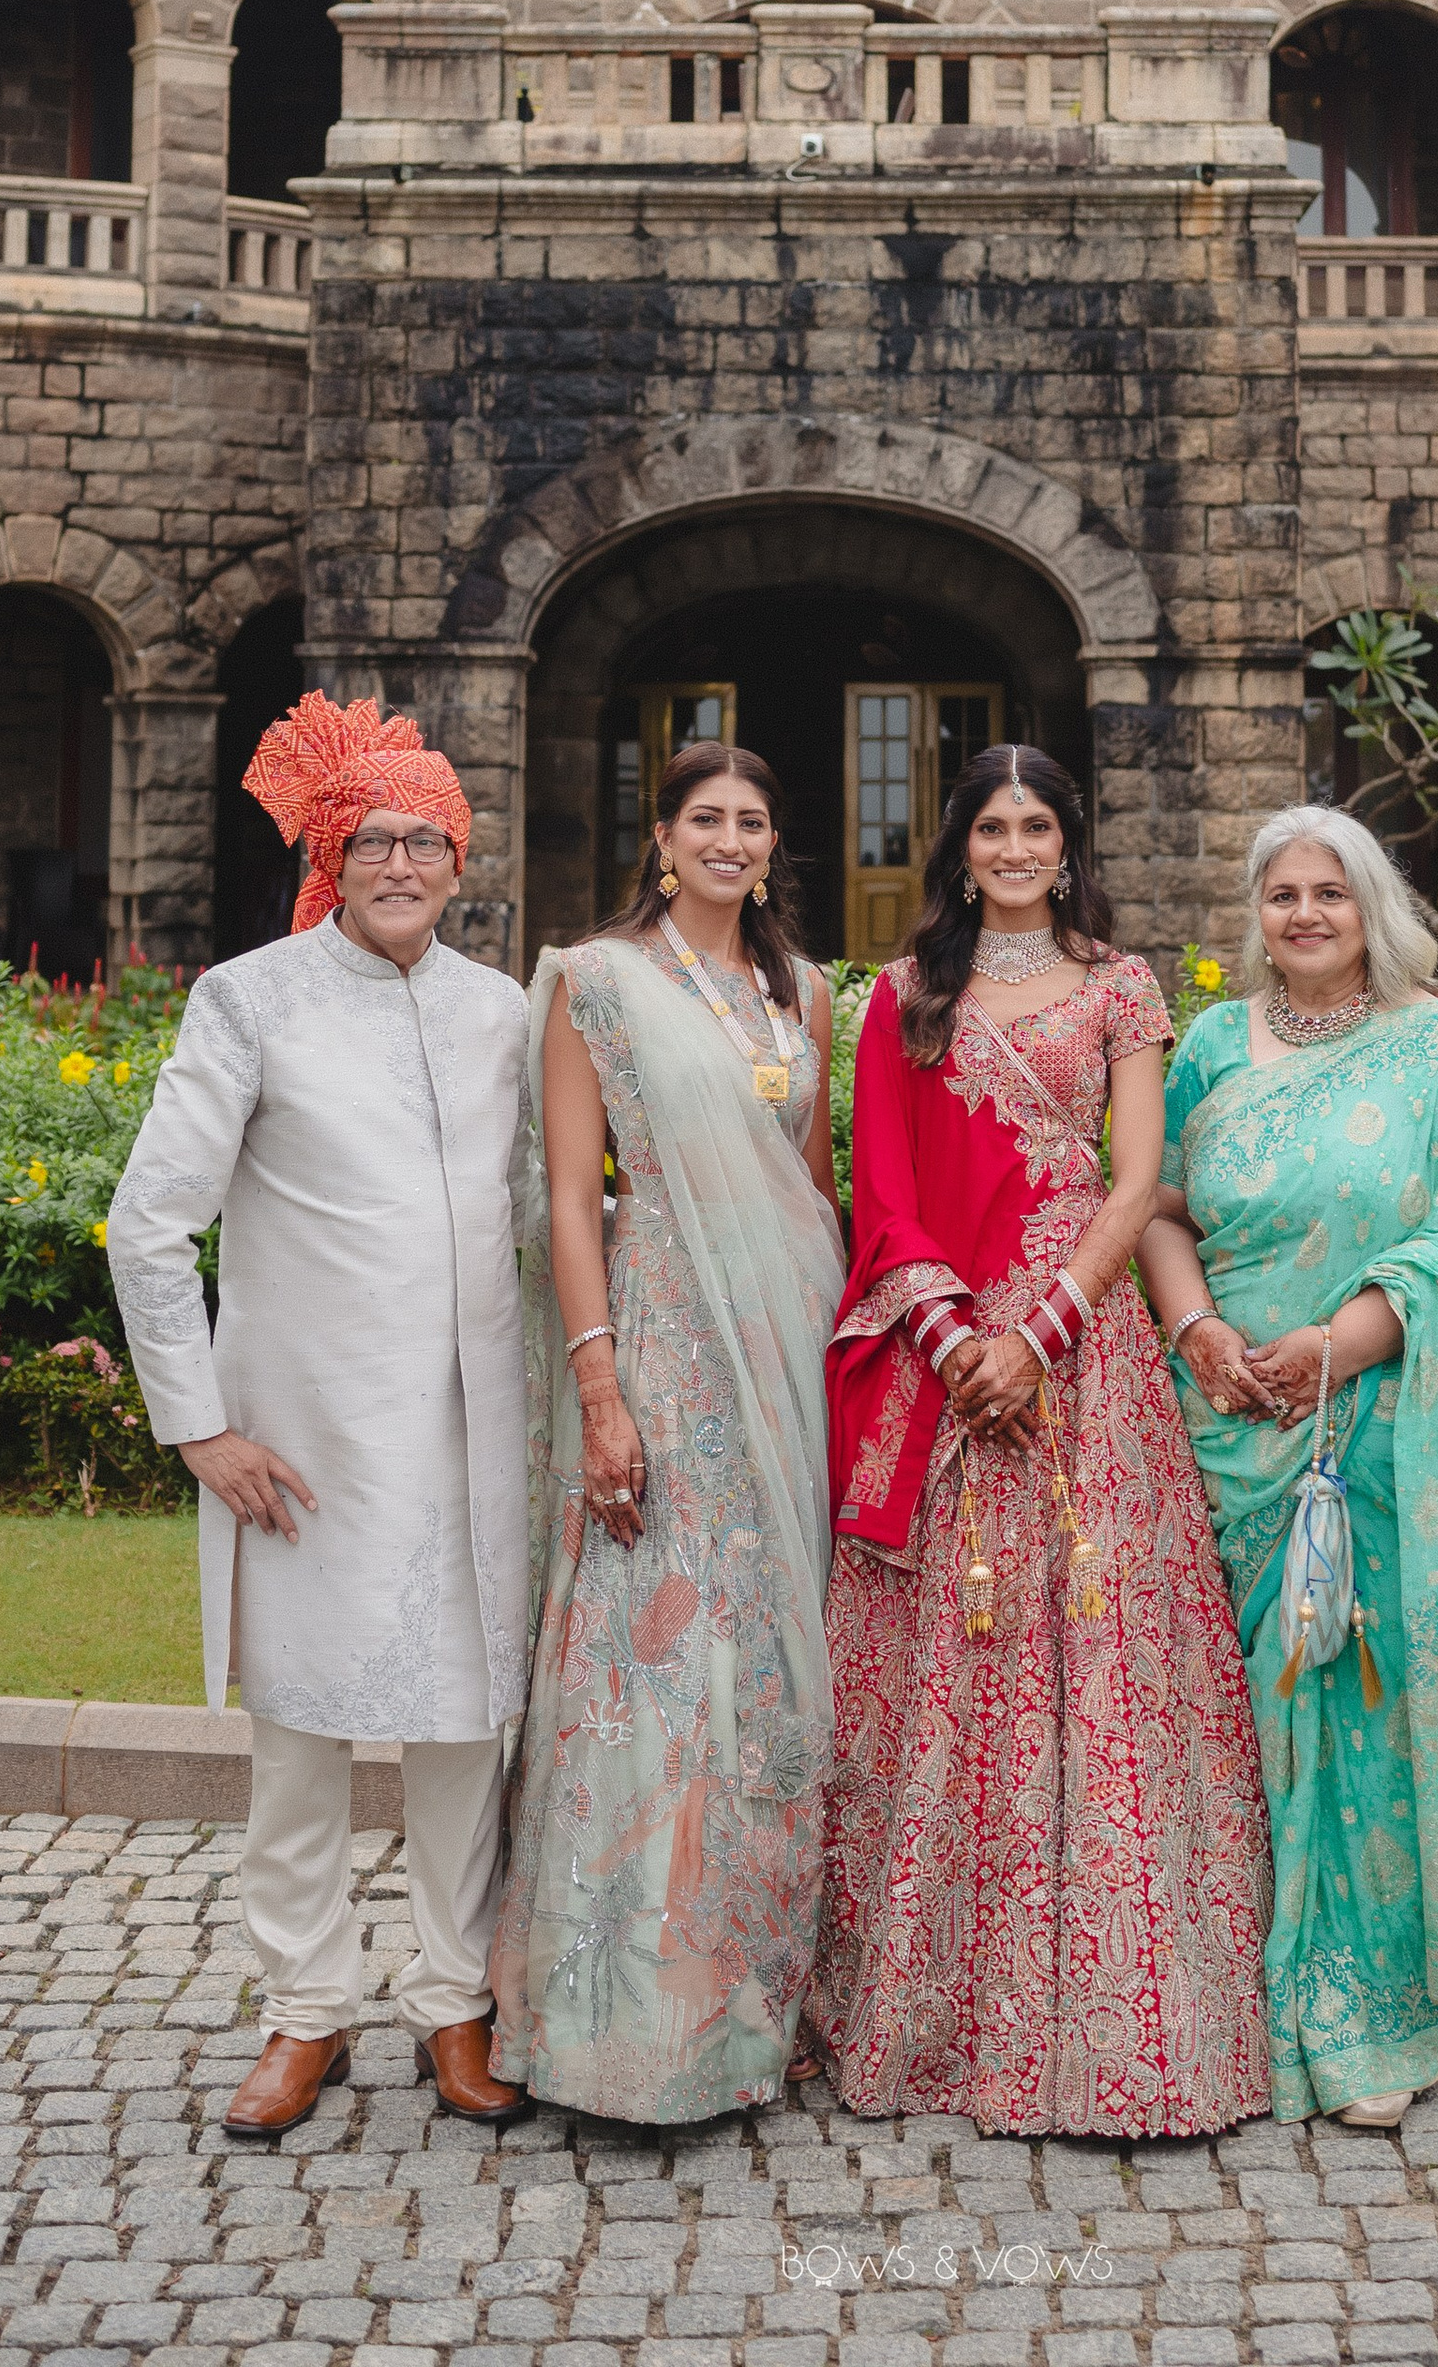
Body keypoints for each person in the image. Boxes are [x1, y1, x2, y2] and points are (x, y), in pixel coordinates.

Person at [812, 744, 1270, 2138]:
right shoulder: (902, 998)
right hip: (951, 1359)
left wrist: (1047, 1330)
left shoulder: (1123, 984)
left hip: (1089, 1357)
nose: (1014, 847)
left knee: (1112, 1656)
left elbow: (1138, 1182)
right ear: (960, 849)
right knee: (962, 1661)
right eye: (991, 828)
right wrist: (958, 1345)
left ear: (1067, 844)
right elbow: (880, 1195)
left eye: (1037, 826)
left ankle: (1131, 2021)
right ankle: (941, 2016)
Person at [105, 693, 533, 2145]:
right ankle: (304, 2011)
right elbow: (147, 1229)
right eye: (374, 838)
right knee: (298, 1739)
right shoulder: (249, 998)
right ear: (333, 855)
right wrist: (199, 1427)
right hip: (298, 1446)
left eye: (427, 839)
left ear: (460, 863)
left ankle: (455, 2000)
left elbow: (542, 1211)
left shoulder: (504, 1013)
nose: (401, 863)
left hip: (476, 1436)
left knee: (467, 1729)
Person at [1138, 806, 1438, 2129]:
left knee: (1365, 1708)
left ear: (1373, 904)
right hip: (1227, 1421)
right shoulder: (1214, 1045)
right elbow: (1157, 1208)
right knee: (1234, 1716)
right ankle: (1233, 1985)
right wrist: (1201, 1330)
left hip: (1383, 1428)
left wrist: (1343, 1340)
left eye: (1328, 892)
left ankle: (1369, 2010)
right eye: (1280, 894)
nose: (1304, 915)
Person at [488, 740, 845, 2121]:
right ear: (663, 835)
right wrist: (600, 1385)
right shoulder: (598, 981)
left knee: (765, 1661)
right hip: (661, 1350)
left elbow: (813, 1194)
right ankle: (623, 2017)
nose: (732, 840)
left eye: (754, 821)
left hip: (790, 1356)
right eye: (708, 817)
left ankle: (760, 2003)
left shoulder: (803, 993)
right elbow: (574, 1197)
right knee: (650, 1662)